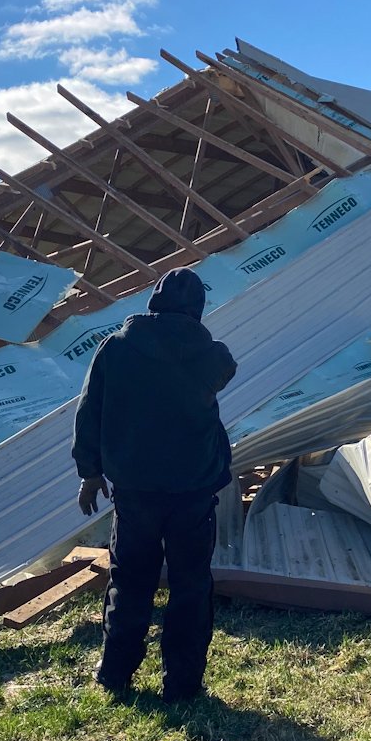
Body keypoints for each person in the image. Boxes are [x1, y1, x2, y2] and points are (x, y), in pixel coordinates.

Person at [72, 267, 237, 702]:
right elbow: (224, 370)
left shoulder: (117, 349)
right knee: (191, 585)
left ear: (153, 303)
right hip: (193, 489)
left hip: (135, 488)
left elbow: (90, 412)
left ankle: (115, 673)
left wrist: (89, 473)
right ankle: (182, 685)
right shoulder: (211, 354)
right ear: (198, 309)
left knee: (129, 580)